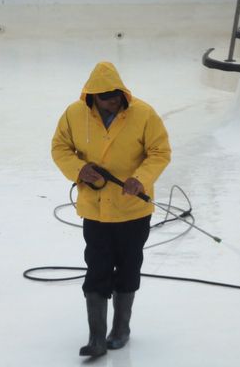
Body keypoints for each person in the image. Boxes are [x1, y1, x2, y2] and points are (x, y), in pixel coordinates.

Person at [51, 61, 171, 357]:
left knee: (128, 268)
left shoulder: (143, 114)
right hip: (96, 211)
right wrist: (80, 169)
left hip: (132, 211)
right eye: (105, 96)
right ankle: (96, 337)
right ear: (92, 95)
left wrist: (140, 180)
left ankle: (121, 329)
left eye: (116, 95)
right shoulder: (74, 114)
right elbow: (60, 147)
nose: (112, 101)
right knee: (98, 269)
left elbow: (160, 151)